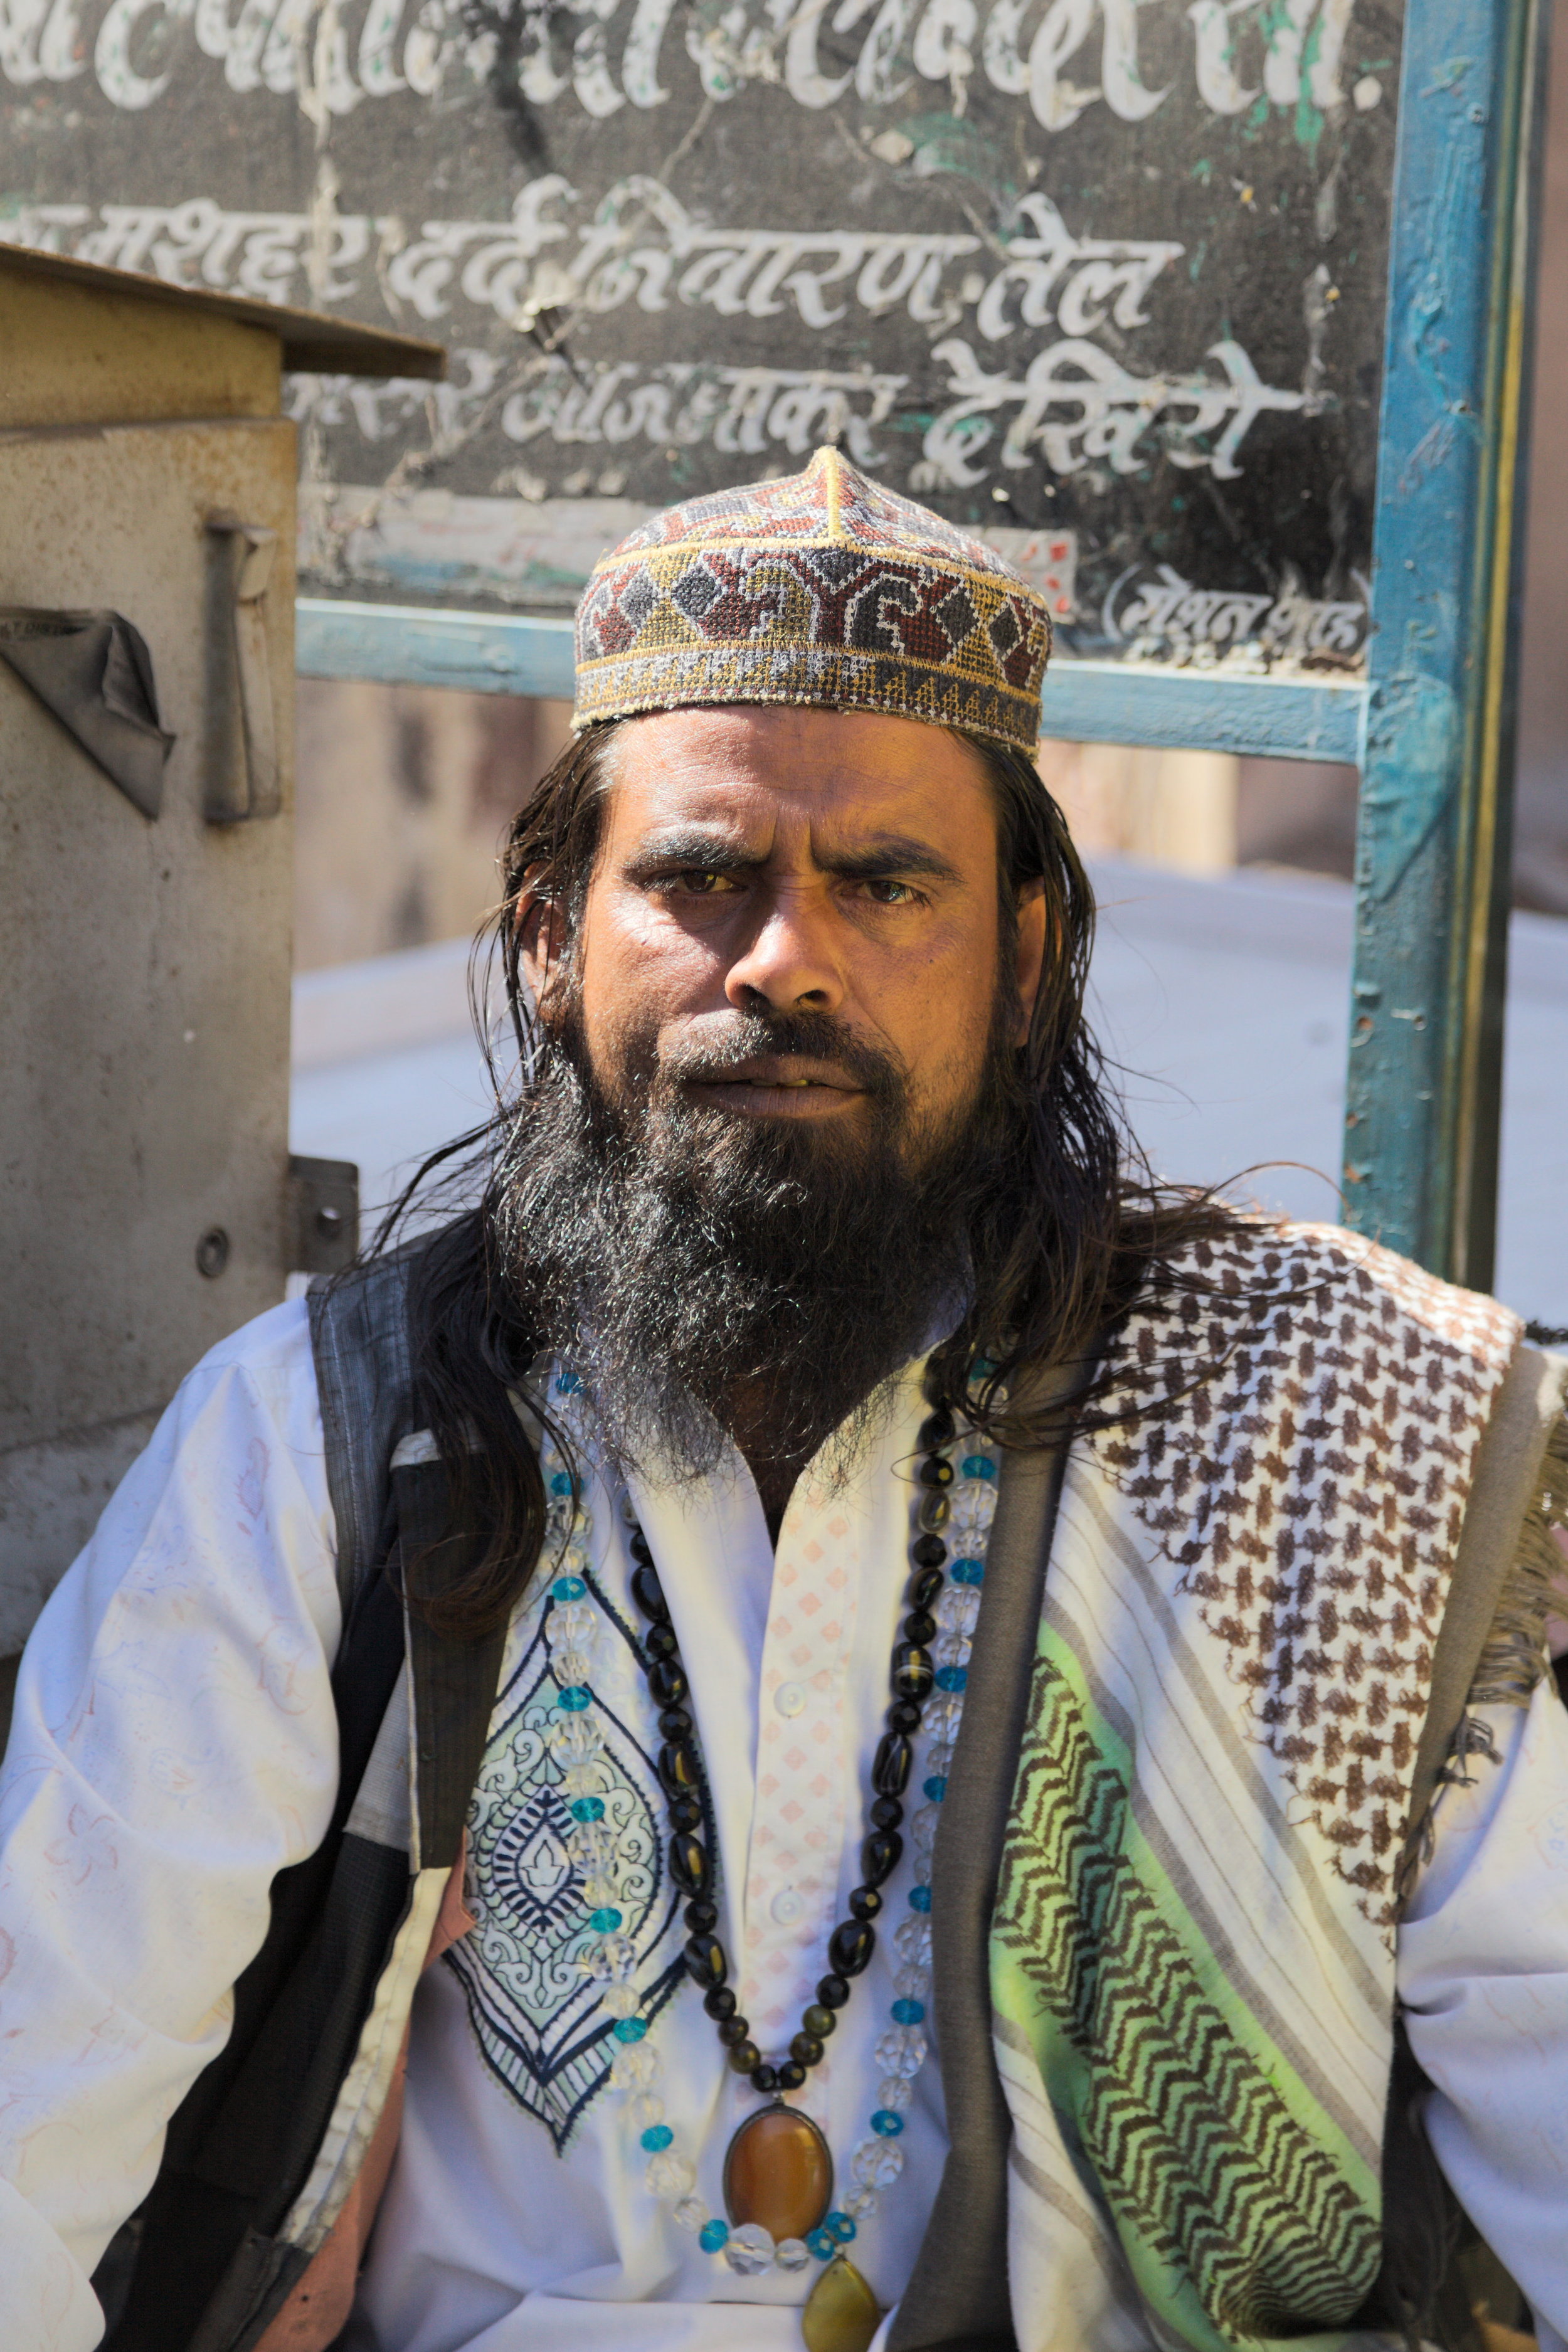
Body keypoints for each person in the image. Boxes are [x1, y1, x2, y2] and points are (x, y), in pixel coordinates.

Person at [1, 448, 1565, 2352]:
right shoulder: (314, 1438)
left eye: (885, 885)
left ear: (1023, 958)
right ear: (548, 933)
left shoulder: (1329, 1446)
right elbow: (37, 2084)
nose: (786, 960)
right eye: (700, 878)